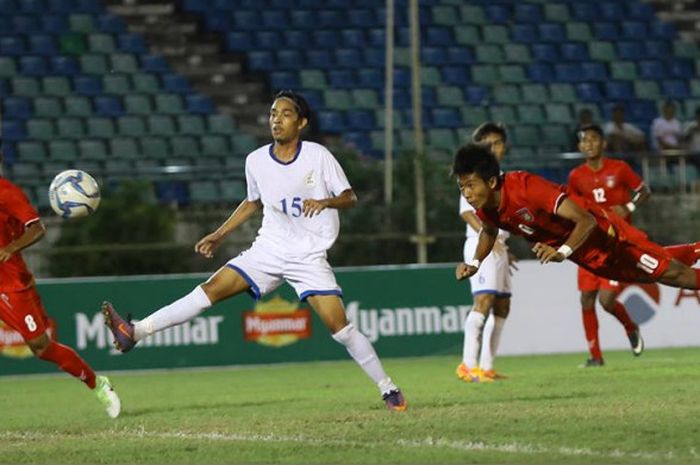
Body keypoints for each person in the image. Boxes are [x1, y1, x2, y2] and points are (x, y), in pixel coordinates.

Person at [101, 90, 407, 411]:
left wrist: (325, 201)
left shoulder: (318, 156)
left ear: (301, 122)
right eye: (273, 113)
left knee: (340, 328)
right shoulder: (257, 160)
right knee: (208, 291)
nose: (276, 119)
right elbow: (252, 202)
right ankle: (134, 332)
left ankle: (388, 388)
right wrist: (219, 234)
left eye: (286, 114)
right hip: (268, 250)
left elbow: (350, 197)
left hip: (308, 255)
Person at [452, 143, 700, 298]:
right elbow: (488, 231)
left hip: (607, 235)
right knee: (655, 274)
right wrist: (474, 262)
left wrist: (561, 252)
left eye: (471, 185)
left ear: (492, 182)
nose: (467, 193)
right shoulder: (487, 208)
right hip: (586, 254)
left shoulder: (526, 188)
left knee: (674, 275)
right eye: (462, 187)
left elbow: (586, 220)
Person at [0, 153, 120, 418]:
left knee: (41, 347)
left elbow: (37, 228)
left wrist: (11, 247)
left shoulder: (7, 193)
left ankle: (96, 382)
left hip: (10, 285)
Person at [568, 125, 652, 367]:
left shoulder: (620, 168)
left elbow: (644, 191)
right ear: (579, 146)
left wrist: (629, 207)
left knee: (606, 301)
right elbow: (573, 208)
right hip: (588, 245)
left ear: (603, 143)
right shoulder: (576, 176)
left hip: (616, 246)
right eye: (584, 140)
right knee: (586, 300)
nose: (589, 144)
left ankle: (629, 325)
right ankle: (595, 357)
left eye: (594, 139)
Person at [456, 122, 515, 383]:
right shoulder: (473, 176)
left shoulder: (502, 177)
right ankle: (467, 366)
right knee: (484, 301)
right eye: (488, 144)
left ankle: (487, 366)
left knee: (503, 305)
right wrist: (490, 237)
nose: (494, 148)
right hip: (482, 245)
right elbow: (468, 212)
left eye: (498, 143)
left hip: (500, 247)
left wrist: (504, 244)